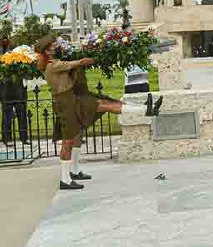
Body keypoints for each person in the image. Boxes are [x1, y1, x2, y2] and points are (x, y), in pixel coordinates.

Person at [35, 35, 163, 190]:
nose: (55, 47)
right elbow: (78, 63)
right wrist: (96, 57)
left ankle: (73, 171)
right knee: (70, 139)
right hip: (65, 103)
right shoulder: (52, 65)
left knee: (79, 132)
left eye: (55, 44)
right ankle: (64, 179)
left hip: (72, 99)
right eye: (51, 46)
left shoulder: (53, 62)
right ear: (46, 51)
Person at [1, 75, 29, 145]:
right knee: (7, 116)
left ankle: (24, 138)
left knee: (22, 114)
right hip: (6, 89)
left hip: (19, 89)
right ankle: (7, 138)